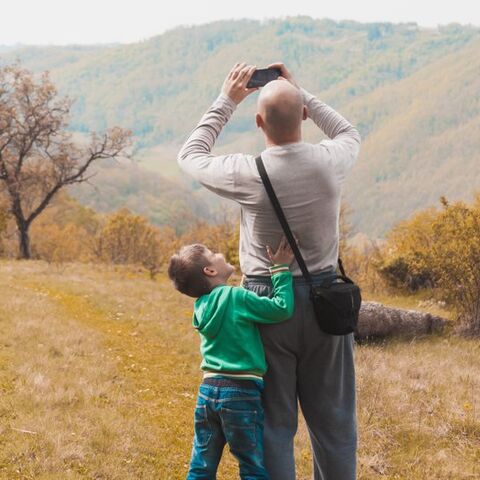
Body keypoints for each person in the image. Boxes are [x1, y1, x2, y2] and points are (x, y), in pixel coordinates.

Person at [177, 62, 361, 479]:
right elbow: (348, 132)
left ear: (259, 122)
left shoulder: (246, 172)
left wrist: (227, 100)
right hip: (326, 303)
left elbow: (190, 155)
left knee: (274, 426)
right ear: (302, 117)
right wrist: (301, 93)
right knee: (334, 423)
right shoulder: (330, 162)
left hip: (262, 306)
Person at [168, 238, 295, 479]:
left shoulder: (201, 306)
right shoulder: (236, 297)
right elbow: (281, 308)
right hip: (241, 393)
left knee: (201, 465)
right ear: (210, 270)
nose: (219, 253)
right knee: (251, 466)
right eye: (212, 252)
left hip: (207, 392)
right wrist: (280, 269)